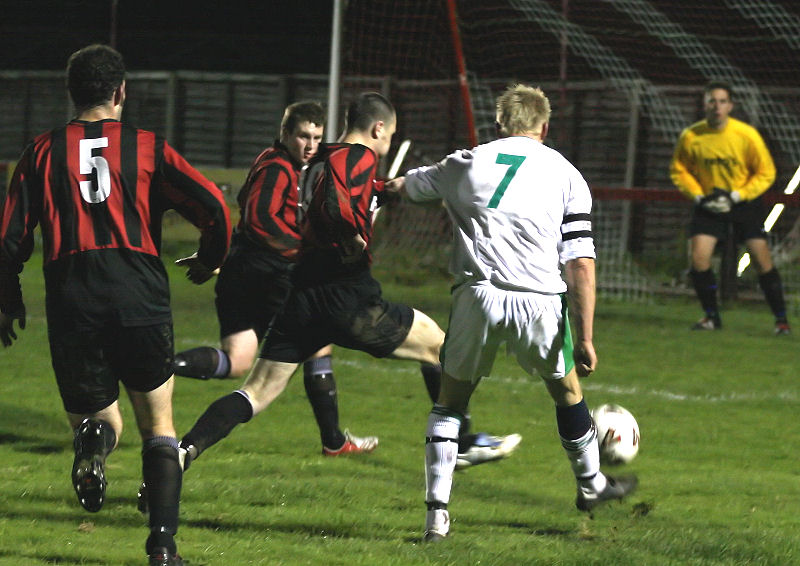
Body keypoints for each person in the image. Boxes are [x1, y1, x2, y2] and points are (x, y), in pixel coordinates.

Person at [174, 92, 521, 475]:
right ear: (378, 129)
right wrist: (351, 235)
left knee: (254, 393)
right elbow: (339, 207)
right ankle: (461, 444)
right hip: (346, 294)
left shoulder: (316, 161)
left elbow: (330, 201)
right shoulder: (359, 156)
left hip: (302, 296)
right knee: (441, 346)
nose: (387, 144)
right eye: (389, 136)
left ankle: (183, 449)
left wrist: (377, 193)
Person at [0, 44, 231, 566]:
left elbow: (8, 237)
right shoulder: (146, 145)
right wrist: (209, 257)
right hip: (137, 287)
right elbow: (214, 205)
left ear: (71, 93)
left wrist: (9, 298)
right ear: (121, 92)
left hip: (70, 290)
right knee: (158, 425)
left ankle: (92, 449)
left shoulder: (40, 151)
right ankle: (163, 548)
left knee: (103, 421)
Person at [388, 84, 637, 541]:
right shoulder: (566, 174)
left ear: (500, 123)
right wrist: (585, 336)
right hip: (539, 299)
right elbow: (580, 262)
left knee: (450, 403)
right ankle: (591, 485)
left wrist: (381, 186)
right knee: (567, 391)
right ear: (544, 126)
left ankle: (435, 520)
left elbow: (407, 186)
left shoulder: (465, 161)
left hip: (477, 295)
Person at [170, 101, 378, 456]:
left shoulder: (272, 163)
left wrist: (222, 257)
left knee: (236, 361)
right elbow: (261, 220)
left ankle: (157, 366)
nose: (310, 145)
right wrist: (305, 249)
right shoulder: (278, 167)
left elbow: (245, 209)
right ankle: (333, 442)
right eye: (302, 136)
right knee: (318, 341)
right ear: (285, 134)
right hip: (268, 275)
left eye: (316, 137)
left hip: (240, 272)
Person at [670, 80, 789, 334]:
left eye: (722, 101)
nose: (717, 106)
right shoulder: (692, 136)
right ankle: (711, 316)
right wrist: (699, 196)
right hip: (709, 202)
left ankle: (781, 320)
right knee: (699, 258)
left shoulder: (746, 135)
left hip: (743, 202)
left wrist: (738, 195)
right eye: (712, 101)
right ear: (704, 104)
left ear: (731, 105)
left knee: (760, 258)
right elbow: (679, 171)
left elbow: (766, 172)